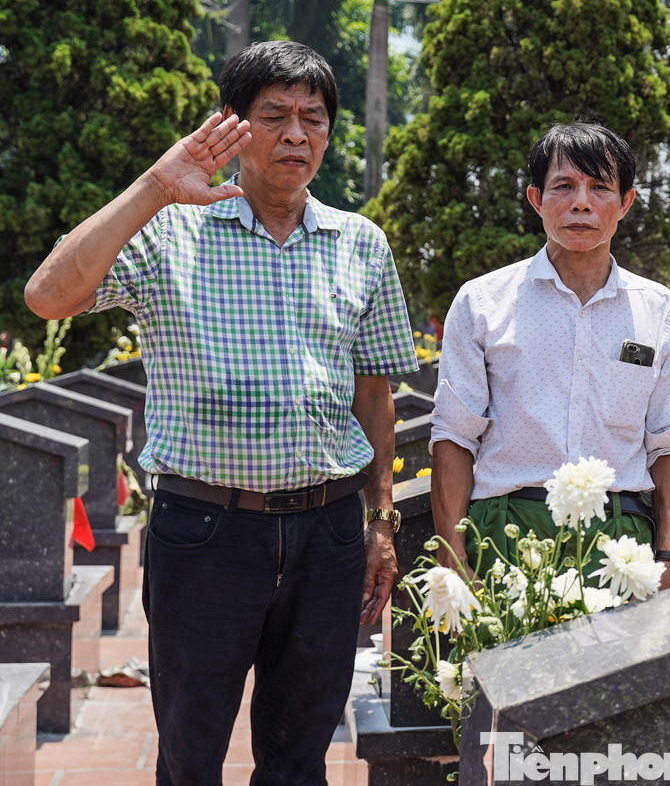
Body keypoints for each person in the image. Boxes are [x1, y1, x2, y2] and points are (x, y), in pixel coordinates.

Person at [25, 41, 416, 784]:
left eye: (314, 118)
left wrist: (381, 523)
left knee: (301, 758)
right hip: (204, 532)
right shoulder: (168, 232)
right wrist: (154, 186)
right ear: (232, 125)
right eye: (274, 115)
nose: (297, 135)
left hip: (328, 531)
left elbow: (374, 397)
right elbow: (48, 297)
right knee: (191, 753)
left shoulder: (359, 243)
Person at [430, 122, 670, 589]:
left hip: (620, 540)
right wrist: (455, 558)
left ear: (627, 202)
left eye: (600, 188)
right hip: (506, 532)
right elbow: (455, 435)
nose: (581, 203)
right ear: (536, 199)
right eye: (564, 186)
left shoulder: (660, 311)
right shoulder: (483, 302)